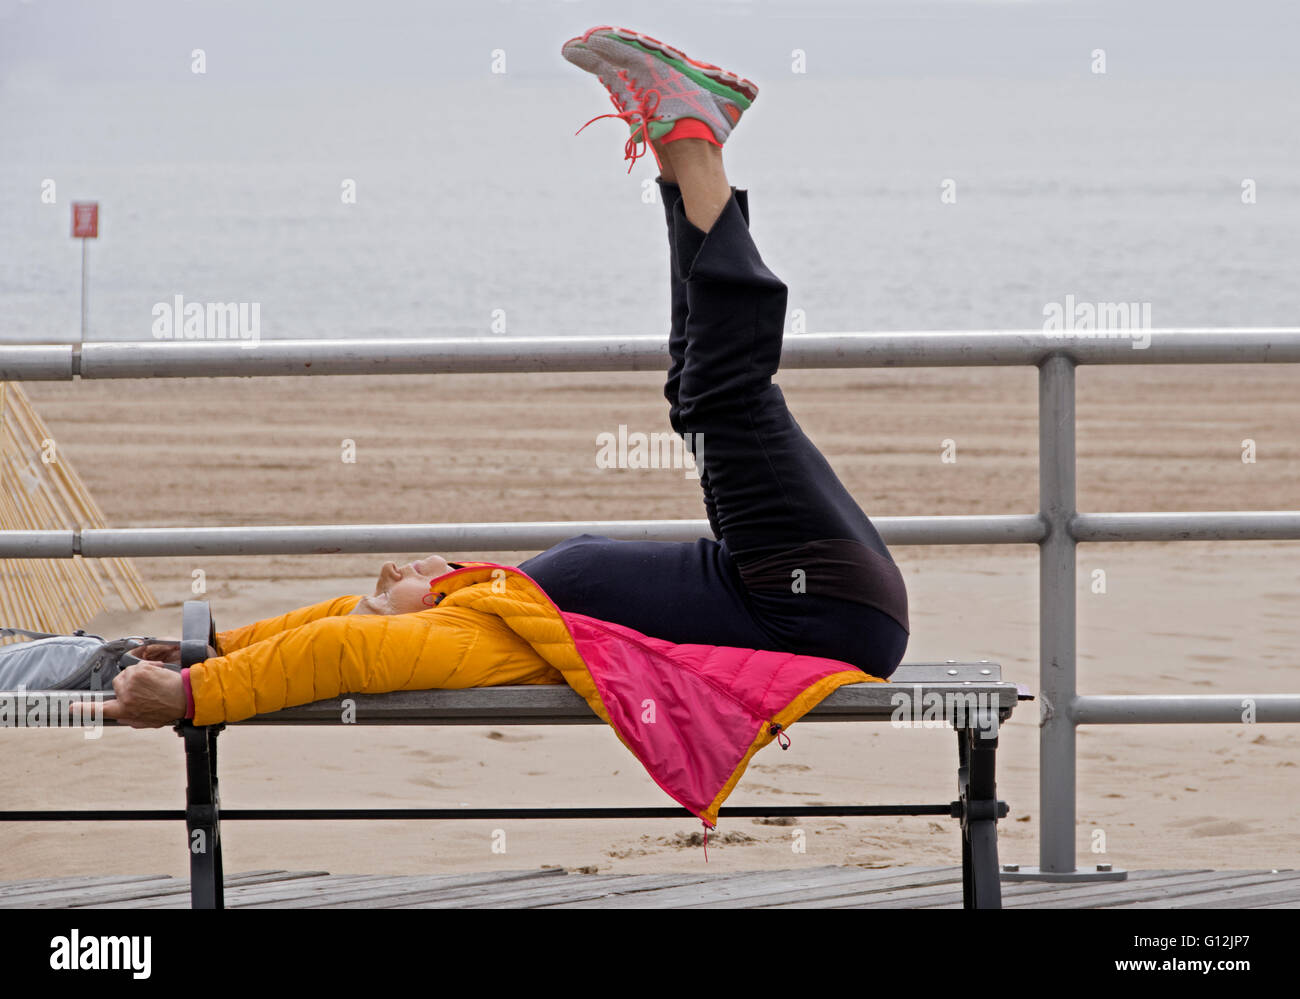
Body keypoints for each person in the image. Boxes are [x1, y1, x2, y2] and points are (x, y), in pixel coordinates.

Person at [96, 25, 908, 730]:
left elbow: (333, 623)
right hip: (812, 603)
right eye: (394, 592)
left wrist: (221, 647)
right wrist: (194, 695)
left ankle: (682, 149)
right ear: (416, 621)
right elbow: (342, 646)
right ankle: (692, 137)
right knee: (722, 398)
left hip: (778, 583)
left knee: (694, 396)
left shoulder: (492, 600)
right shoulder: (472, 632)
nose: (391, 574)